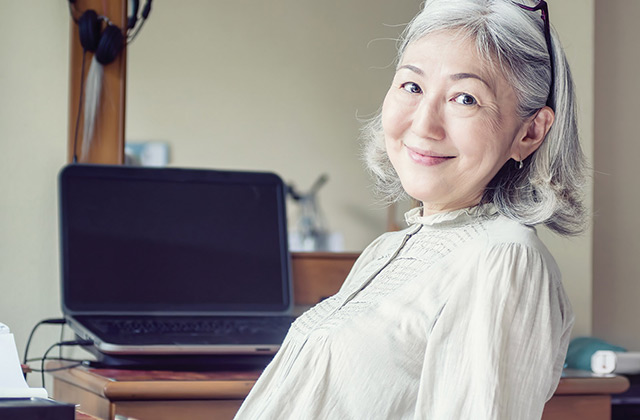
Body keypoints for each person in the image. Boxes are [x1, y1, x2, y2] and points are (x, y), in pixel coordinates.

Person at [235, 0, 585, 418]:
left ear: (529, 132)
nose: (423, 125)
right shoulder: (385, 251)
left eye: (465, 98)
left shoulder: (504, 259)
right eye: (412, 87)